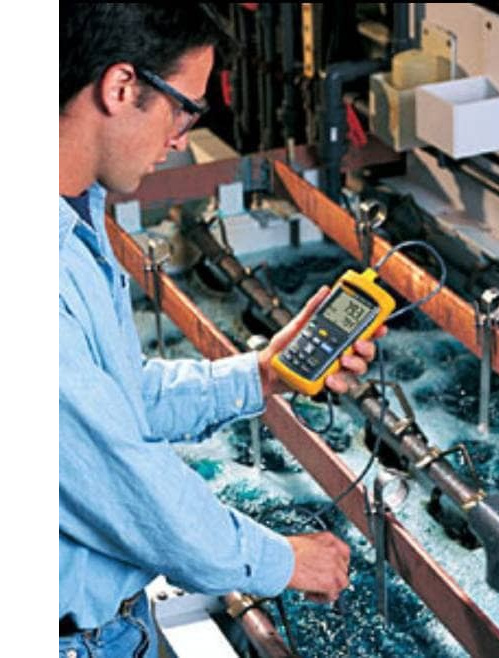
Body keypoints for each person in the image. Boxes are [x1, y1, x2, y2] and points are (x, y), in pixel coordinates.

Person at [59, 5, 385, 657]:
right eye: (184, 109)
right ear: (121, 87)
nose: (181, 139)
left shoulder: (79, 215)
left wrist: (262, 374)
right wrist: (283, 561)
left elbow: (120, 400)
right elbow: (128, 482)